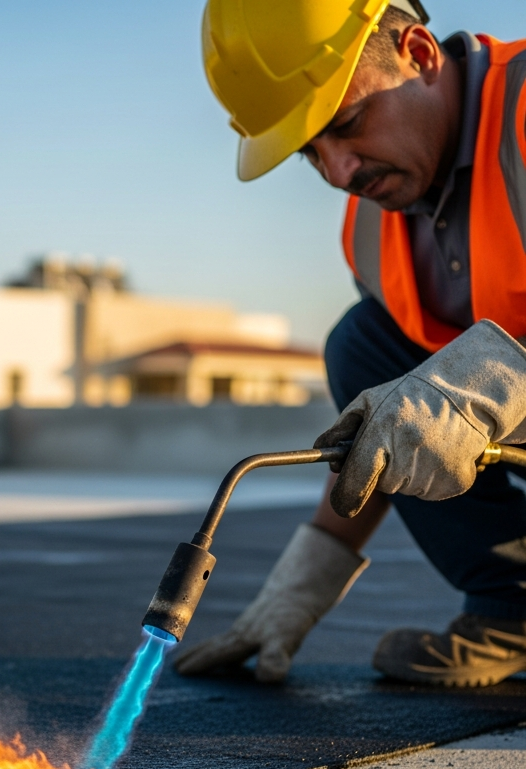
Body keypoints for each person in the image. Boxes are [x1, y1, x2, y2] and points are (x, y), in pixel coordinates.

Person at [176, 0, 526, 687]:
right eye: (310, 152)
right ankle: (516, 608)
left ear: (419, 55)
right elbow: (390, 432)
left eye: (345, 123)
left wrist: (490, 384)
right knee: (361, 346)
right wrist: (304, 581)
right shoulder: (369, 232)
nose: (338, 172)